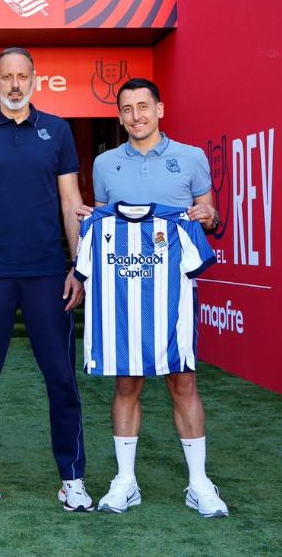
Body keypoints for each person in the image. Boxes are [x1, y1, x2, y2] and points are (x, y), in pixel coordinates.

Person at [0, 47, 92, 512]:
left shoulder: (58, 131)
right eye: (6, 76)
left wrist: (77, 266)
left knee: (62, 381)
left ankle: (72, 478)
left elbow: (72, 201)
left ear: (34, 79)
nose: (14, 84)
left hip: (49, 273)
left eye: (21, 76)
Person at [79, 77, 228, 518]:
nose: (136, 116)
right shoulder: (105, 165)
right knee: (126, 382)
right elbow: (107, 219)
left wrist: (209, 214)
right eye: (127, 109)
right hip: (125, 294)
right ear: (119, 115)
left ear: (160, 109)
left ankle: (199, 483)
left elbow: (212, 215)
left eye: (143, 107)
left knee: (183, 381)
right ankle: (126, 482)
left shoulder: (191, 158)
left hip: (173, 292)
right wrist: (92, 220)